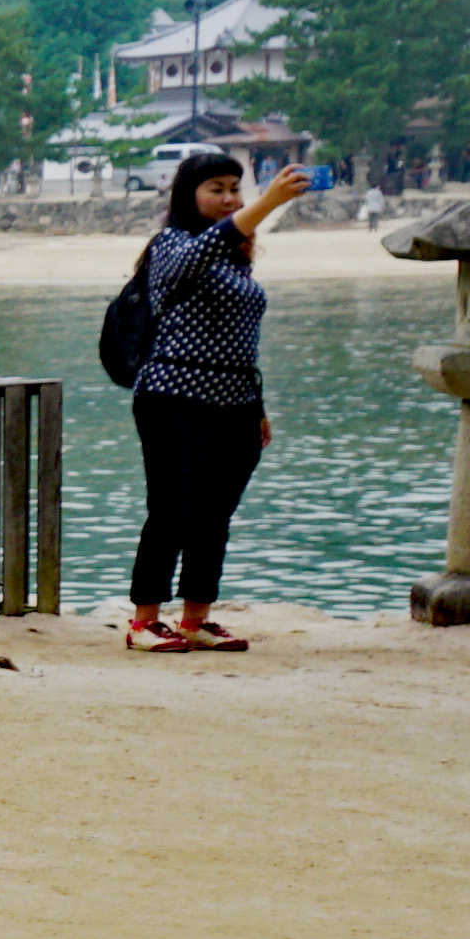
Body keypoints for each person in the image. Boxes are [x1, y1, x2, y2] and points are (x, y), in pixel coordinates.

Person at [123, 150, 312, 651]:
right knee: (170, 509)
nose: (229, 198)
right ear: (189, 195)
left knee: (214, 516)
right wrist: (268, 203)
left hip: (235, 401)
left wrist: (256, 406)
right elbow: (196, 255)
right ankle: (144, 621)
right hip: (173, 397)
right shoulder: (172, 243)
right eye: (216, 189)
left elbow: (241, 341)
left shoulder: (236, 256)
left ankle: (195, 618)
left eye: (235, 188)